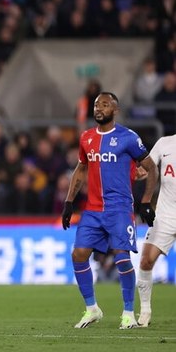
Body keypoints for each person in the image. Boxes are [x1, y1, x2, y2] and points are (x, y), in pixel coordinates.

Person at [61, 92, 157, 330]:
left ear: (115, 110)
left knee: (122, 258)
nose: (99, 108)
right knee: (79, 254)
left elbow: (151, 168)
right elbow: (81, 169)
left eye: (105, 104)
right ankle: (92, 309)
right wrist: (69, 202)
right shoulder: (86, 138)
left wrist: (145, 201)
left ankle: (128, 313)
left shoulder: (128, 138)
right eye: (96, 104)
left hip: (119, 209)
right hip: (92, 210)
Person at [135, 133, 176, 327]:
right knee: (145, 260)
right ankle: (145, 311)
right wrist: (138, 172)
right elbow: (147, 169)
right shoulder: (165, 143)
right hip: (166, 214)